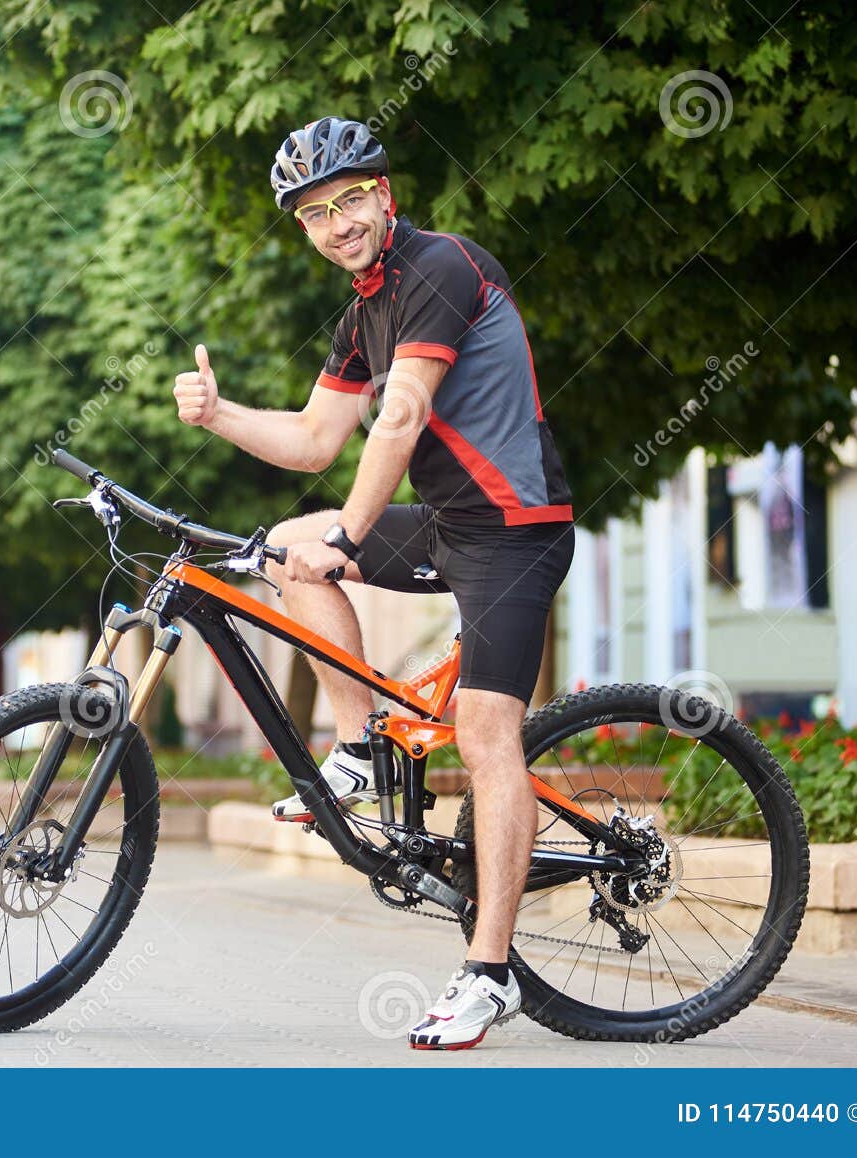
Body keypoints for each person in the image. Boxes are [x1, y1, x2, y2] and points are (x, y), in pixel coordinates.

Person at [172, 117, 574, 1051]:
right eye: (315, 212)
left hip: (516, 529)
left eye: (350, 198)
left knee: (486, 733)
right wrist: (222, 415)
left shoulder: (439, 268)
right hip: (448, 524)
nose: (337, 220)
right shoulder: (365, 311)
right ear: (306, 230)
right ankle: (359, 750)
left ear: (385, 195)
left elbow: (397, 421)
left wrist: (349, 534)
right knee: (282, 548)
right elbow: (317, 439)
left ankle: (490, 973)